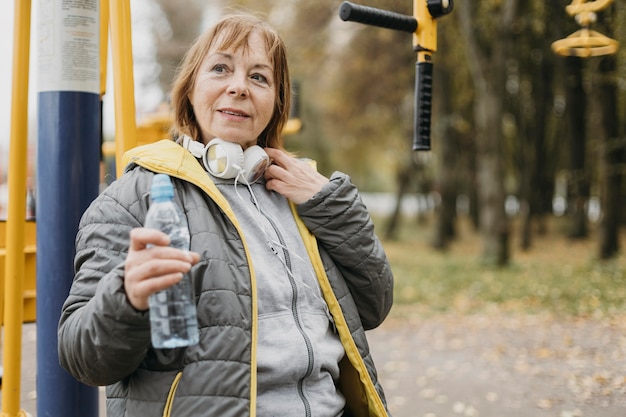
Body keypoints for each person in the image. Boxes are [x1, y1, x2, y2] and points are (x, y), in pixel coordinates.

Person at [58, 12, 394, 417]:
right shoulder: (133, 199)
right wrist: (126, 297)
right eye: (220, 69)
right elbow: (81, 357)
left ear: (276, 102)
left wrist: (333, 206)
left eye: (259, 77)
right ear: (189, 90)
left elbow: (374, 307)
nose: (239, 87)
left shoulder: (302, 193)